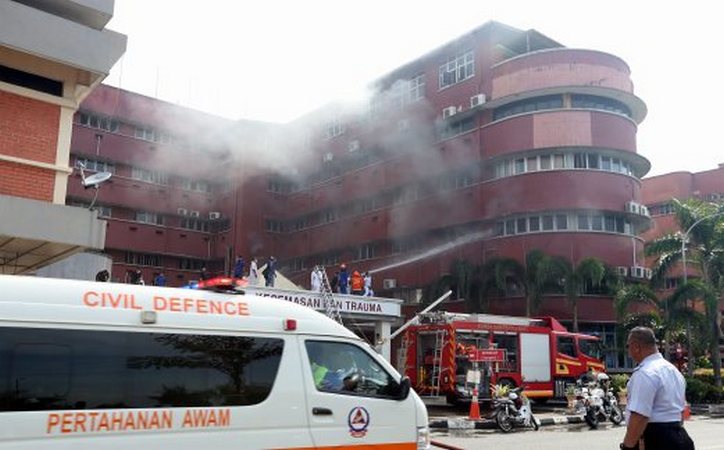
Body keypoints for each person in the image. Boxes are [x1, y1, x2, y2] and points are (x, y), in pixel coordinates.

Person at [620, 326, 694, 450]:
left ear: (636, 347)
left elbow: (640, 415)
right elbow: (680, 413)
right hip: (679, 437)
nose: (628, 352)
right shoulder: (673, 371)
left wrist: (628, 447)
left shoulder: (645, 373)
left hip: (656, 439)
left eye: (628, 347)